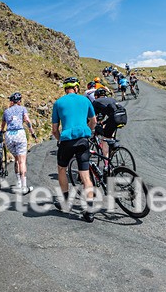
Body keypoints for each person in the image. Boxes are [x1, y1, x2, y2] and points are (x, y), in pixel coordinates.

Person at [52, 77, 97, 223]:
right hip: (83, 139)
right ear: (76, 88)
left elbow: (54, 129)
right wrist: (87, 131)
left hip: (67, 140)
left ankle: (65, 202)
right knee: (85, 175)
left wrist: (60, 139)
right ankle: (89, 212)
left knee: (61, 169)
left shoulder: (58, 103)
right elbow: (94, 121)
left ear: (65, 89)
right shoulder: (85, 100)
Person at [0, 92, 37, 194]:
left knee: (16, 159)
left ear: (11, 101)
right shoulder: (22, 109)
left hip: (9, 135)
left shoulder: (6, 111)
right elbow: (27, 120)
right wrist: (32, 133)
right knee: (22, 161)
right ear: (19, 101)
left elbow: (3, 125)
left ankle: (19, 183)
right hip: (19, 134)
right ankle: (24, 187)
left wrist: (1, 131)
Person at [91, 88, 127, 160]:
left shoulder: (96, 102)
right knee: (110, 134)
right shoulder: (111, 99)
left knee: (105, 139)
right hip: (123, 116)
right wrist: (103, 122)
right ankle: (112, 149)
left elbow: (92, 117)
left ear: (96, 96)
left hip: (114, 118)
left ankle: (106, 162)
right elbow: (110, 114)